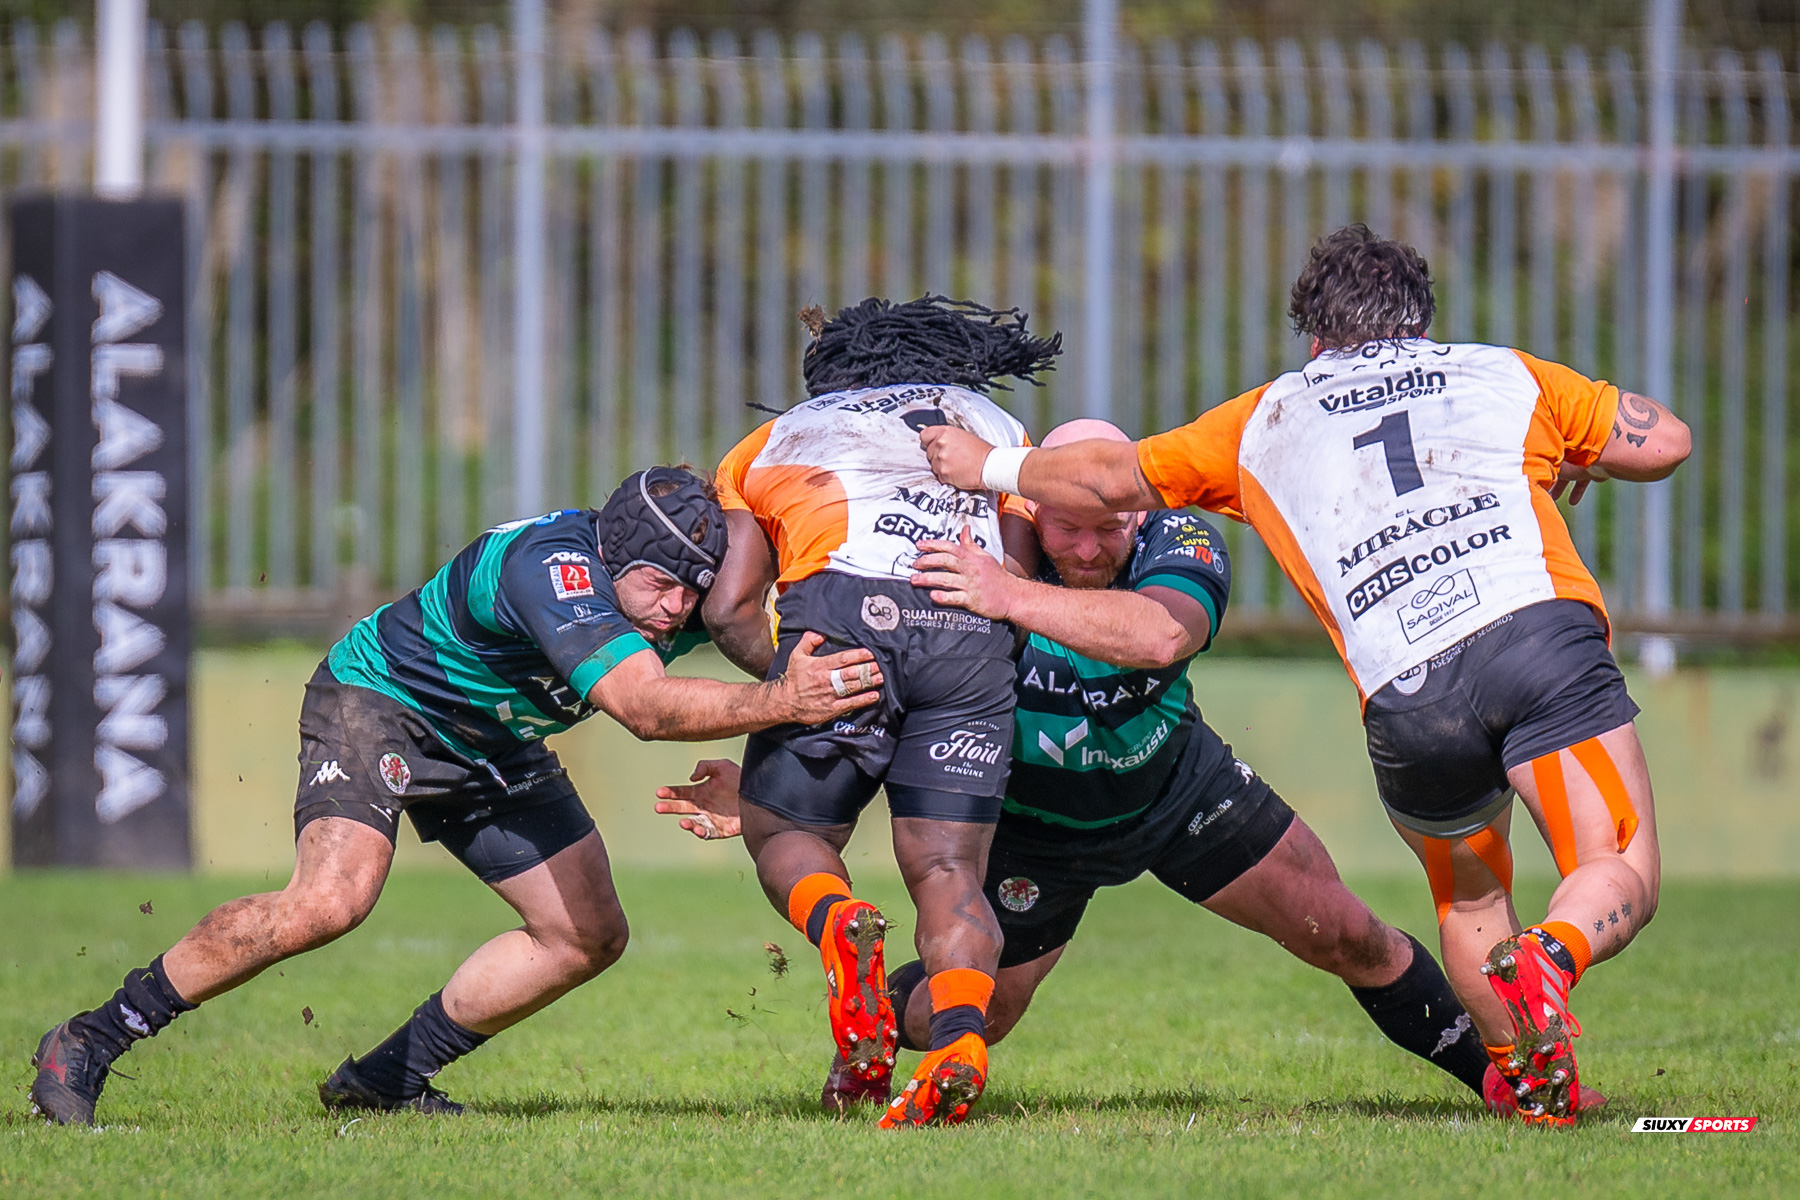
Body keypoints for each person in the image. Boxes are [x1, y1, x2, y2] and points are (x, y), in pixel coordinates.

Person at [918, 225, 1690, 1125]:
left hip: (1399, 700)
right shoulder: (1504, 372)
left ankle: (1529, 1082)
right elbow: (1663, 441)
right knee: (1614, 858)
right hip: (1531, 636)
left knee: (1462, 898)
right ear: (1422, 322)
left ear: (1315, 339)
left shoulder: (1267, 419)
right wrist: (1580, 452)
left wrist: (990, 466)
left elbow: (1120, 494)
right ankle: (1554, 955)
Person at [659, 419, 1571, 1120]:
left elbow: (1159, 633)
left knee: (1348, 935)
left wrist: (1011, 595)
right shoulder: (975, 550)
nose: (1090, 548)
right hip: (1036, 835)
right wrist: (779, 794)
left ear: (1136, 509)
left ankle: (1502, 1084)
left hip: (1179, 789)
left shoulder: (1180, 540)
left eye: (1108, 528)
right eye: (1067, 530)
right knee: (967, 1010)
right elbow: (900, 708)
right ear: (1028, 512)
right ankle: (864, 1042)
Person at [29, 467, 882, 1126]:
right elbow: (648, 709)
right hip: (384, 702)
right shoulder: (554, 569)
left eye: (694, 589)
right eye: (663, 588)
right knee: (331, 901)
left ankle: (385, 1081)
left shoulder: (675, 587)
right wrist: (780, 702)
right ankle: (92, 1038)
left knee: (587, 934)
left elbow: (748, 637)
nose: (678, 610)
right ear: (616, 560)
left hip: (495, 740)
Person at [702, 296, 1056, 1127]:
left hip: (843, 614)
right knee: (949, 872)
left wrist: (789, 680)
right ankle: (961, 1042)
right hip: (967, 621)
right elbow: (1022, 583)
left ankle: (841, 920)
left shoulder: (776, 437)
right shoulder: (995, 426)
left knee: (786, 834)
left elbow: (727, 608)